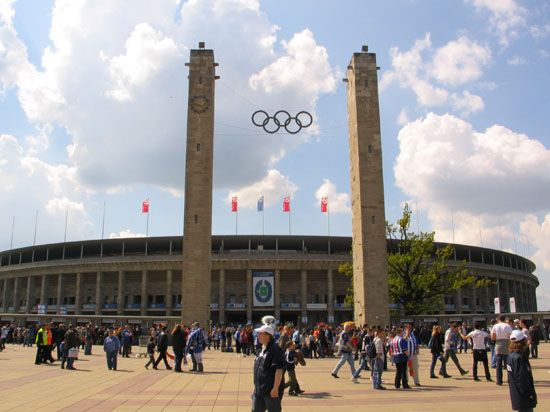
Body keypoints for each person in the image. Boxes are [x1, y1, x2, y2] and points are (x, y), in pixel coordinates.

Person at [252, 323, 285, 412]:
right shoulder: (261, 349)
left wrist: (275, 388)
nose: (257, 335)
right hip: (259, 390)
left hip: (270, 392)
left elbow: (279, 369)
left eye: (260, 333)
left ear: (267, 336)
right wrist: (256, 386)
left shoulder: (275, 349)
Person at [507, 330, 537, 411]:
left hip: (516, 392)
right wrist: (528, 393)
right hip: (523, 394)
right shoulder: (519, 357)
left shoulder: (511, 355)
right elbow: (522, 378)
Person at [491, 314, 513, 386]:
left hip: (498, 343)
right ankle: (510, 379)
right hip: (506, 343)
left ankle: (499, 380)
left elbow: (493, 337)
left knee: (498, 363)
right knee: (508, 363)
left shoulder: (495, 326)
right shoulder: (507, 326)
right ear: (504, 319)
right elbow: (511, 336)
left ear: (498, 319)